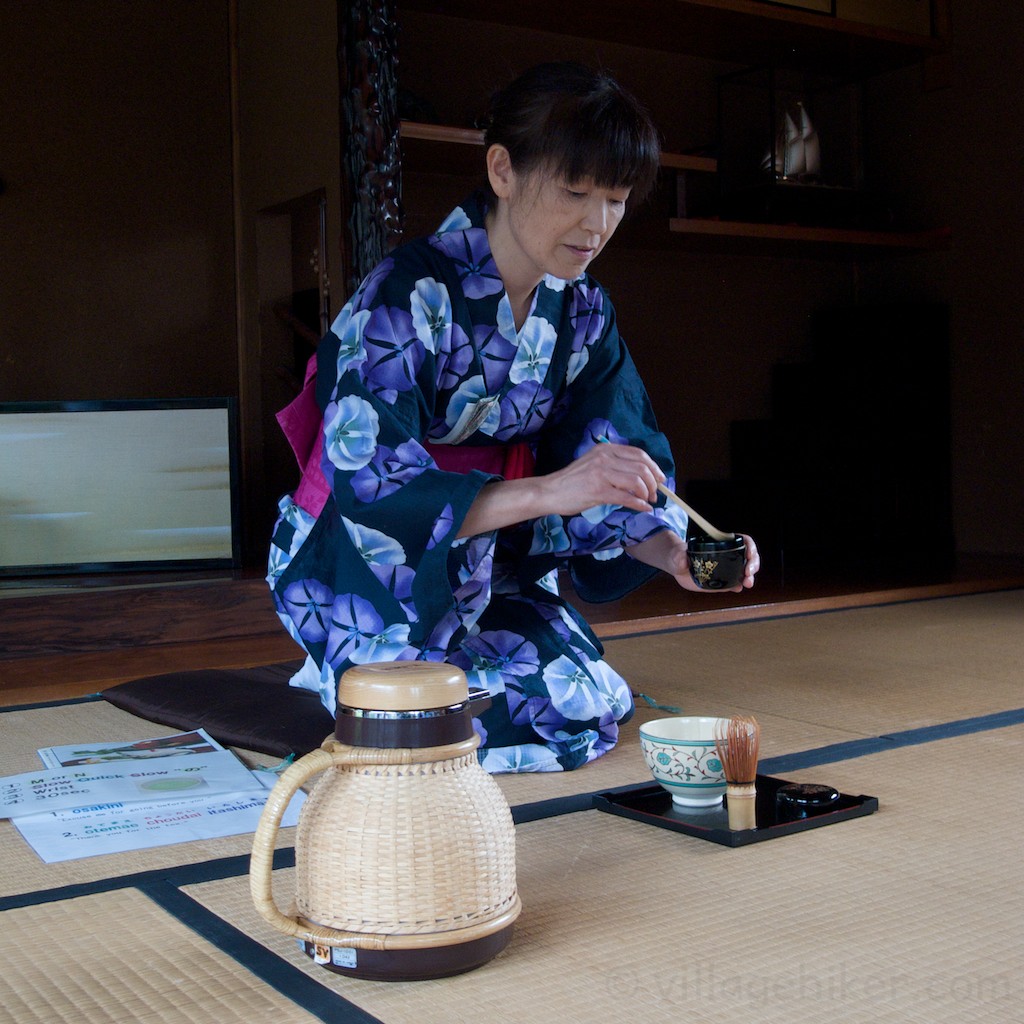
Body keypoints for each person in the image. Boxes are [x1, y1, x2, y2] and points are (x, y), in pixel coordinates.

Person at [268, 62, 759, 773]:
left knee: (581, 703)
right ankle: (344, 668)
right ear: (502, 170)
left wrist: (676, 553)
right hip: (361, 561)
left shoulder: (582, 311)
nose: (597, 225)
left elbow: (611, 451)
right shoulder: (404, 294)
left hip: (485, 562)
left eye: (616, 200)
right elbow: (367, 483)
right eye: (574, 191)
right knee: (433, 723)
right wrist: (556, 491)